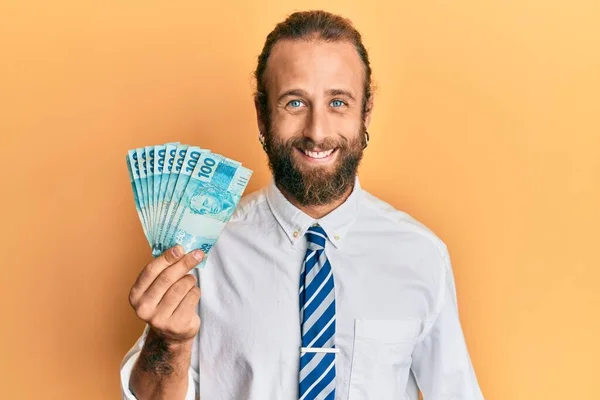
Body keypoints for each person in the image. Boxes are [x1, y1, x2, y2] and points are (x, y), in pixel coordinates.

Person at [120, 10, 485, 400]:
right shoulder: (202, 249)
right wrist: (168, 344)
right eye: (295, 103)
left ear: (366, 111)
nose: (317, 132)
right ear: (262, 115)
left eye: (338, 103)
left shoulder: (421, 255)